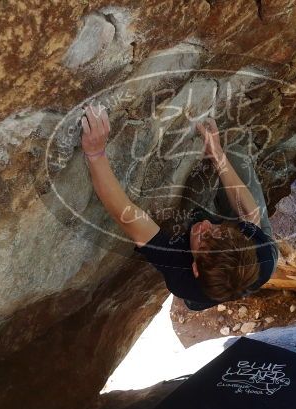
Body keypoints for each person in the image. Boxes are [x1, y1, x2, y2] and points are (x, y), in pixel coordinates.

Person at [80, 102, 279, 311]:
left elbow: (126, 215)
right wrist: (217, 153)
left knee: (194, 302)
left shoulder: (181, 277)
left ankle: (199, 295)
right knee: (235, 155)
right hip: (255, 252)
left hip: (197, 289)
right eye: (218, 230)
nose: (205, 224)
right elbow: (250, 213)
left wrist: (95, 153)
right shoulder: (259, 252)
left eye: (203, 240)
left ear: (195, 268)